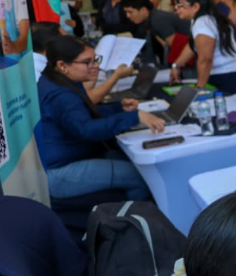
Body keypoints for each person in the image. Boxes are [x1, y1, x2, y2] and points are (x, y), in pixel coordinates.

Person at [37, 35, 164, 200]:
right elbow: (87, 130)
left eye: (95, 60)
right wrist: (134, 117)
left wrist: (118, 108)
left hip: (66, 158)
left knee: (133, 162)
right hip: (61, 171)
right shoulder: (61, 95)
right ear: (62, 65)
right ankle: (134, 215)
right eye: (87, 62)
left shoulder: (56, 80)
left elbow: (80, 115)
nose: (95, 66)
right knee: (139, 176)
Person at [170, 0, 236, 98]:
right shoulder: (204, 18)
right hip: (235, 73)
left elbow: (205, 59)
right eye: (175, 5)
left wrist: (199, 88)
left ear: (195, 6)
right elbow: (193, 45)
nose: (176, 8)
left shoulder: (203, 22)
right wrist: (176, 65)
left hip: (230, 76)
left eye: (180, 5)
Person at [124, 0, 191, 65]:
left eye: (130, 12)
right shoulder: (151, 19)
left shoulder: (157, 20)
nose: (127, 16)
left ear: (143, 10)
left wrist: (176, 67)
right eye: (126, 12)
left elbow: (177, 47)